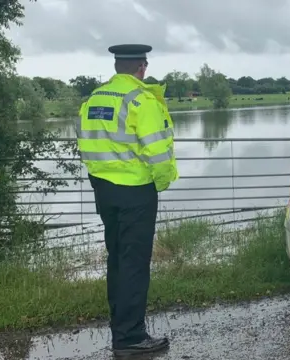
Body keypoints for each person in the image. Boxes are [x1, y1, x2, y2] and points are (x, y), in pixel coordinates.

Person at [76, 44, 179, 356]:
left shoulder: (95, 98)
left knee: (118, 259)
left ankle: (120, 327)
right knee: (134, 262)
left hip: (104, 189)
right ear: (142, 67)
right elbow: (158, 153)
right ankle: (131, 337)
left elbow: (84, 142)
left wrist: (100, 177)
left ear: (118, 66)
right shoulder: (141, 99)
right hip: (136, 190)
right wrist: (159, 184)